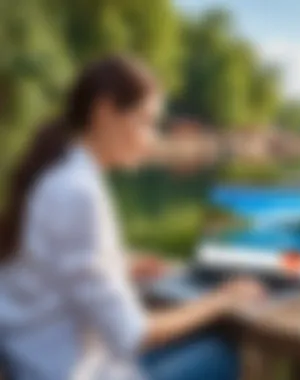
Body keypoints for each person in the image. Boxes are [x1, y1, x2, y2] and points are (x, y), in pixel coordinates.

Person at [0, 56, 263, 380]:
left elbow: (52, 266)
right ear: (105, 113)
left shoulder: (55, 173)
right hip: (64, 371)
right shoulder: (80, 191)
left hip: (31, 360)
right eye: (145, 121)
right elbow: (134, 334)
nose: (152, 138)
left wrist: (117, 265)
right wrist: (223, 299)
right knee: (221, 351)